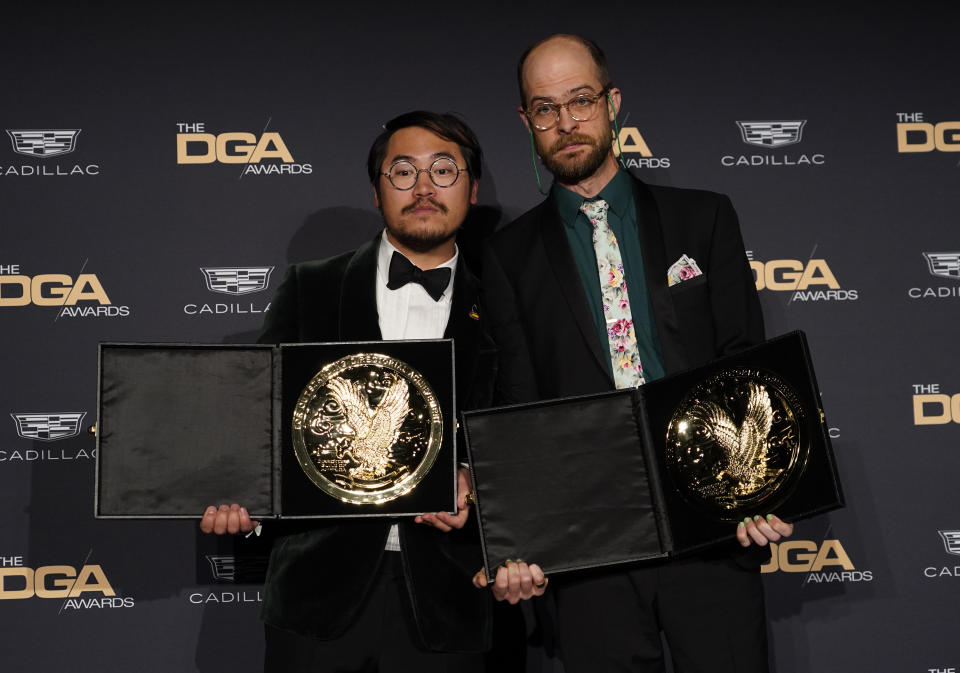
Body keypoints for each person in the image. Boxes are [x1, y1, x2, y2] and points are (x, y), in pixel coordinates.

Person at [477, 34, 793, 672]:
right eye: (545, 108)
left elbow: (745, 364)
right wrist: (521, 543)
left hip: (713, 528)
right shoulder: (508, 257)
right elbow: (520, 408)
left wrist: (760, 489)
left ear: (613, 102)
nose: (566, 123)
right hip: (591, 546)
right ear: (526, 121)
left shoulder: (703, 218)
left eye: (581, 101)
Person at [201, 110, 496, 673]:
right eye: (403, 172)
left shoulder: (507, 304)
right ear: (378, 190)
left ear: (473, 188)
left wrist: (476, 492)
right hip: (316, 595)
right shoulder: (311, 286)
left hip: (448, 597)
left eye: (444, 170)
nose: (425, 187)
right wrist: (241, 496)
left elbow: (522, 435)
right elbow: (259, 414)